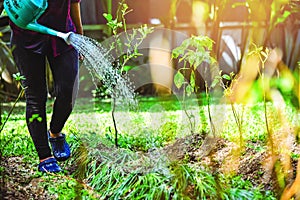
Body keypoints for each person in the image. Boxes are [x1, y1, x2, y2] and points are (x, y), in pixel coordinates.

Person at [2, 0, 83, 172]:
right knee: (35, 97)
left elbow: (74, 3)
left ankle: (55, 132)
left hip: (63, 34)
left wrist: (80, 37)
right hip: (26, 37)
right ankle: (44, 156)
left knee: (68, 91)